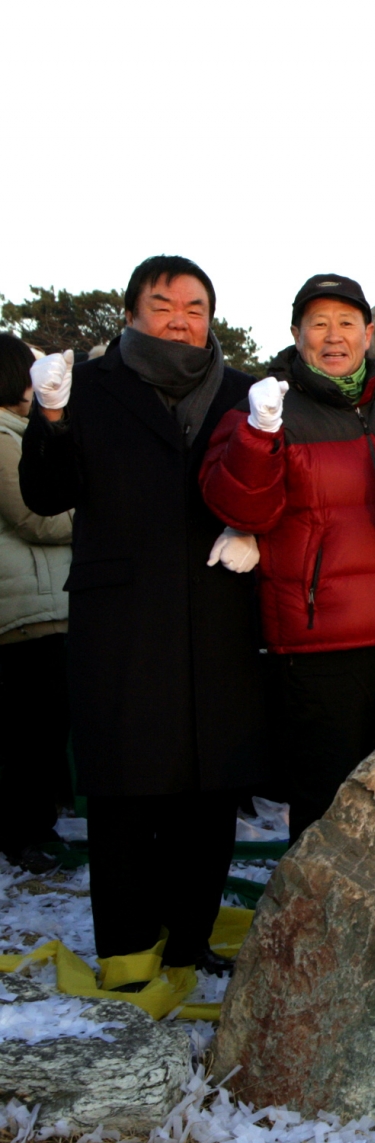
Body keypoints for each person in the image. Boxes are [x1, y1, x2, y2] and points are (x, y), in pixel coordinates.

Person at [20, 255, 267, 981]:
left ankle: (190, 939)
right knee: (127, 786)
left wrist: (259, 528)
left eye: (195, 306)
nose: (180, 319)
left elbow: (272, 481)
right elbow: (44, 492)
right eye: (163, 305)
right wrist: (53, 418)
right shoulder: (91, 387)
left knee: (208, 784)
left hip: (218, 608)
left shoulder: (242, 391)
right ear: (131, 315)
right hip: (123, 617)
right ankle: (127, 950)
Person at [200, 273, 375, 840]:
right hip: (318, 644)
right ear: (296, 332)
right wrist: (259, 435)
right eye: (319, 324)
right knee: (328, 811)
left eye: (346, 323)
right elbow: (239, 507)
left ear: (367, 334)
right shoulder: (267, 408)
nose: (334, 337)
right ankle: (323, 929)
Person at [0, 334, 74, 873]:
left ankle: (36, 826)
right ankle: (19, 834)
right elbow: (32, 514)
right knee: (26, 729)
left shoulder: (23, 432)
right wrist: (95, 519)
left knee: (45, 724)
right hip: (20, 610)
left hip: (45, 604)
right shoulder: (3, 438)